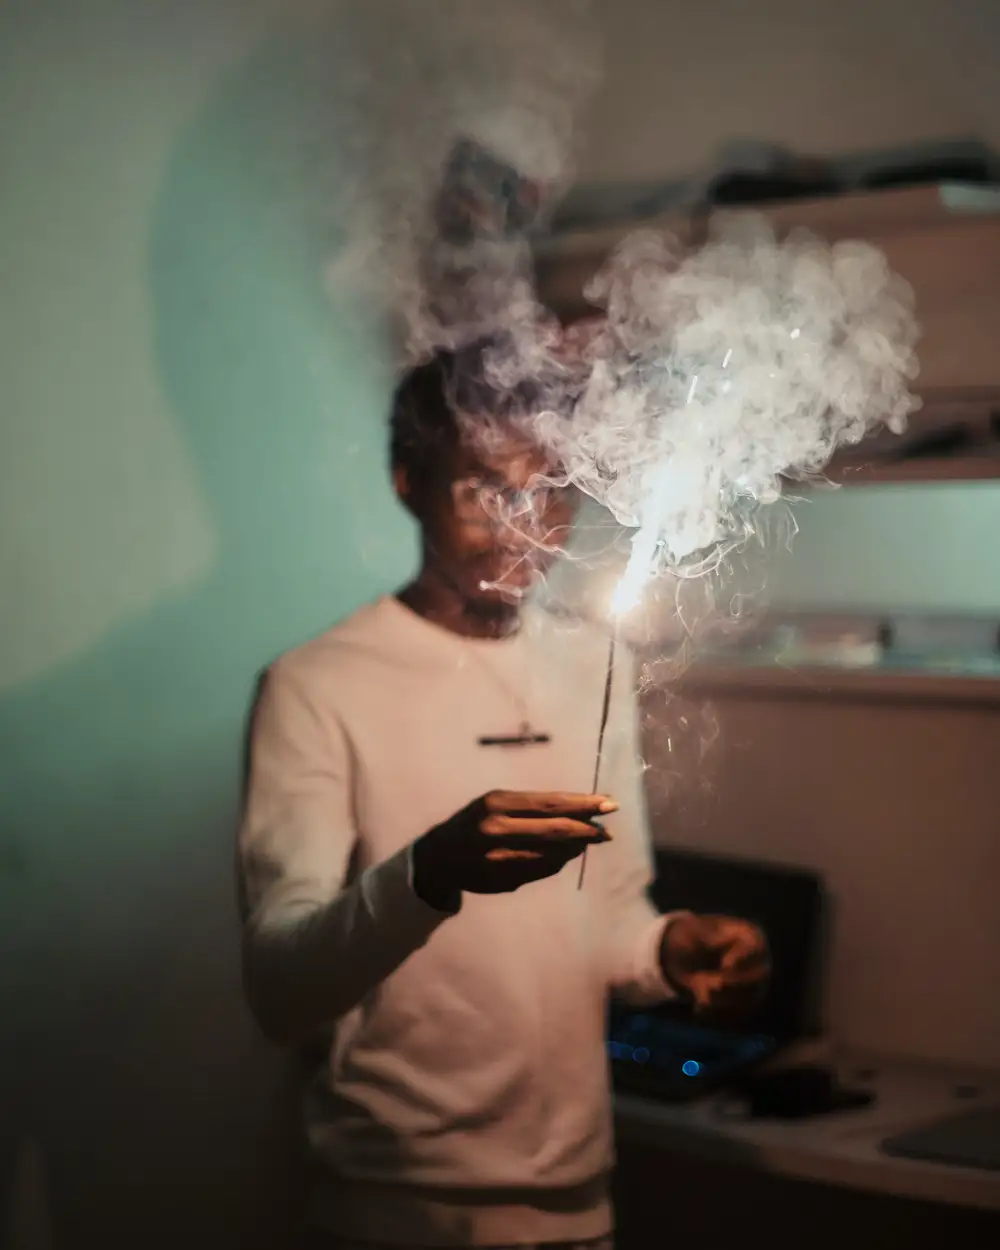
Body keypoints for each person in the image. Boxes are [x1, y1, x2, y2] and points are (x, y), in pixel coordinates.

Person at [238, 343, 770, 1250]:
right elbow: (281, 988)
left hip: (579, 1200)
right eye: (485, 491)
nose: (528, 529)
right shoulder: (318, 684)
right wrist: (431, 874)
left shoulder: (595, 663)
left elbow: (603, 921)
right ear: (408, 481)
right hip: (396, 1209)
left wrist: (672, 949)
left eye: (552, 490)